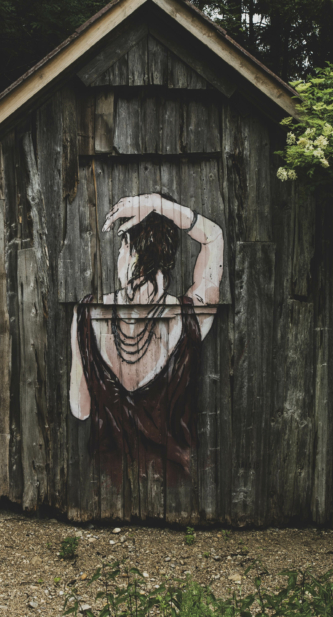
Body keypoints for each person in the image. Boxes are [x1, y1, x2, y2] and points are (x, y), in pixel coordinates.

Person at [68, 192, 223, 486]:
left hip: (106, 487)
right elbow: (213, 237)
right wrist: (156, 204)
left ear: (127, 246)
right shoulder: (193, 315)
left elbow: (80, 409)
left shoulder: (86, 316)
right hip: (174, 487)